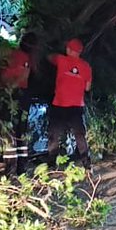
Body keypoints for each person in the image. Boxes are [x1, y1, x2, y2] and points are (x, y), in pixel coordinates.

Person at [46, 37, 92, 167]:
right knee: (79, 135)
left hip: (59, 104)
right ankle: (86, 163)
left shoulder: (61, 60)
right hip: (76, 106)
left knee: (54, 134)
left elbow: (49, 57)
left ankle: (51, 163)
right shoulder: (86, 67)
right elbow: (87, 87)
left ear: (69, 49)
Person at [0, 33, 36, 174]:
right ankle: (19, 167)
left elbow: (4, 75)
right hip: (18, 94)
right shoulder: (25, 58)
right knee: (19, 128)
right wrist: (10, 87)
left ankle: (11, 167)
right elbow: (23, 75)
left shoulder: (13, 55)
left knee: (9, 128)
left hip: (12, 93)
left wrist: (7, 88)